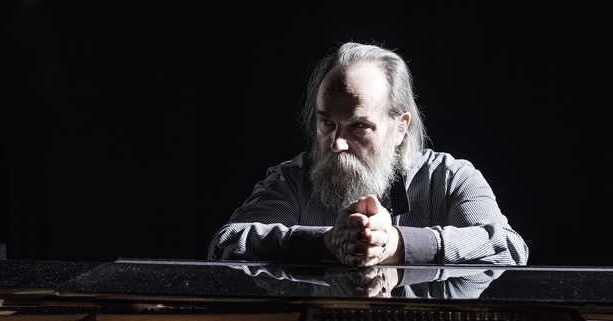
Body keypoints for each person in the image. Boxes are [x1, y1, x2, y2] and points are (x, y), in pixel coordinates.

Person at [208, 42, 529, 267]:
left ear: (400, 128)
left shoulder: (450, 179)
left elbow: (508, 248)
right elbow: (226, 245)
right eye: (327, 123)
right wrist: (326, 243)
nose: (336, 144)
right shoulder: (292, 181)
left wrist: (397, 244)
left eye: (358, 126)